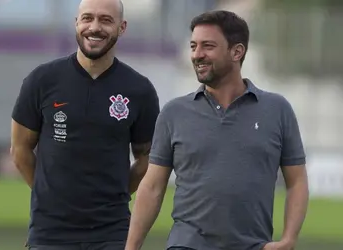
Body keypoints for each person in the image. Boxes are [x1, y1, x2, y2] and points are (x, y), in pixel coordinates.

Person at [125, 10, 309, 250]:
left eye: (208, 46)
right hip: (186, 244)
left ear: (237, 51)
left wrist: (288, 240)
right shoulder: (174, 112)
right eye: (193, 46)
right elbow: (152, 187)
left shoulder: (277, 110)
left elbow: (296, 181)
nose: (197, 55)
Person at [10, 0, 160, 249]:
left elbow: (147, 158)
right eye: (87, 18)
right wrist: (49, 195)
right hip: (50, 232)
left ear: (122, 27)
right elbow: (19, 150)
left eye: (106, 20)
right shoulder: (42, 80)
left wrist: (120, 192)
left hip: (112, 232)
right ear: (76, 23)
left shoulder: (139, 89)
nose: (95, 27)